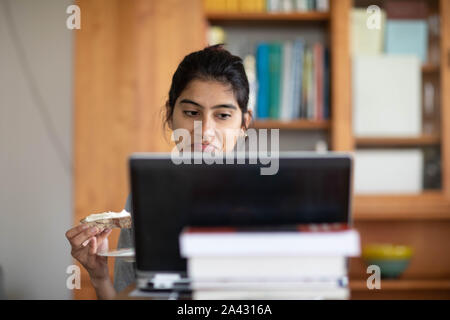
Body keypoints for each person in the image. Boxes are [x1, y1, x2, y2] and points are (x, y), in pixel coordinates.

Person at [65, 44, 253, 299]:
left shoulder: (265, 200)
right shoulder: (147, 197)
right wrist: (98, 276)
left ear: (244, 124)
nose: (205, 131)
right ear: (170, 115)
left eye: (222, 115)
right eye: (191, 112)